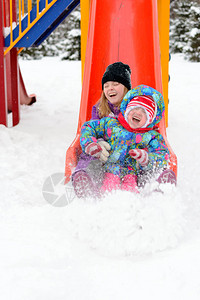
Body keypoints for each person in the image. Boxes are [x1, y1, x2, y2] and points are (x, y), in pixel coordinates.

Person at [80, 84, 172, 194]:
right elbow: (89, 127)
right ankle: (94, 196)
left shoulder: (151, 136)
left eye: (144, 112)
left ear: (149, 120)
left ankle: (154, 193)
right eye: (135, 108)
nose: (138, 113)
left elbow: (163, 154)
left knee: (131, 191)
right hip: (109, 168)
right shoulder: (112, 123)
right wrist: (90, 143)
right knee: (109, 186)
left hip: (132, 173)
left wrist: (146, 159)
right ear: (127, 110)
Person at [72, 62, 132, 197]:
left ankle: (158, 183)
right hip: (106, 151)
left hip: (128, 152)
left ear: (126, 88)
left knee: (143, 158)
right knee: (91, 154)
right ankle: (84, 179)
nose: (110, 88)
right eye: (106, 86)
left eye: (116, 84)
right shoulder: (100, 108)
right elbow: (92, 129)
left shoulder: (133, 108)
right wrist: (97, 142)